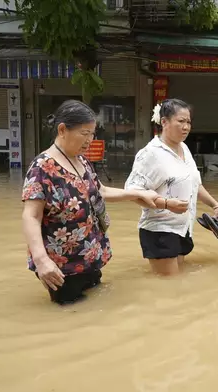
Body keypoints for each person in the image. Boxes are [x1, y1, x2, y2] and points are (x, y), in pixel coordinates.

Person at [21, 100, 179, 305]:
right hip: (62, 266)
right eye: (84, 133)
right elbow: (31, 216)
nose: (90, 140)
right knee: (71, 313)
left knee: (95, 304)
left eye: (92, 134)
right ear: (62, 130)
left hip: (90, 256)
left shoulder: (81, 161)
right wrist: (42, 261)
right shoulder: (41, 168)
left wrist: (138, 194)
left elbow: (100, 191)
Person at [124, 98, 218, 276]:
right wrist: (166, 204)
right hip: (160, 231)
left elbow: (195, 184)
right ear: (164, 122)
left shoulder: (184, 148)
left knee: (177, 284)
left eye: (188, 122)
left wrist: (214, 204)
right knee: (168, 288)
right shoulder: (150, 154)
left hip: (183, 228)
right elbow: (132, 192)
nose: (186, 127)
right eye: (181, 121)